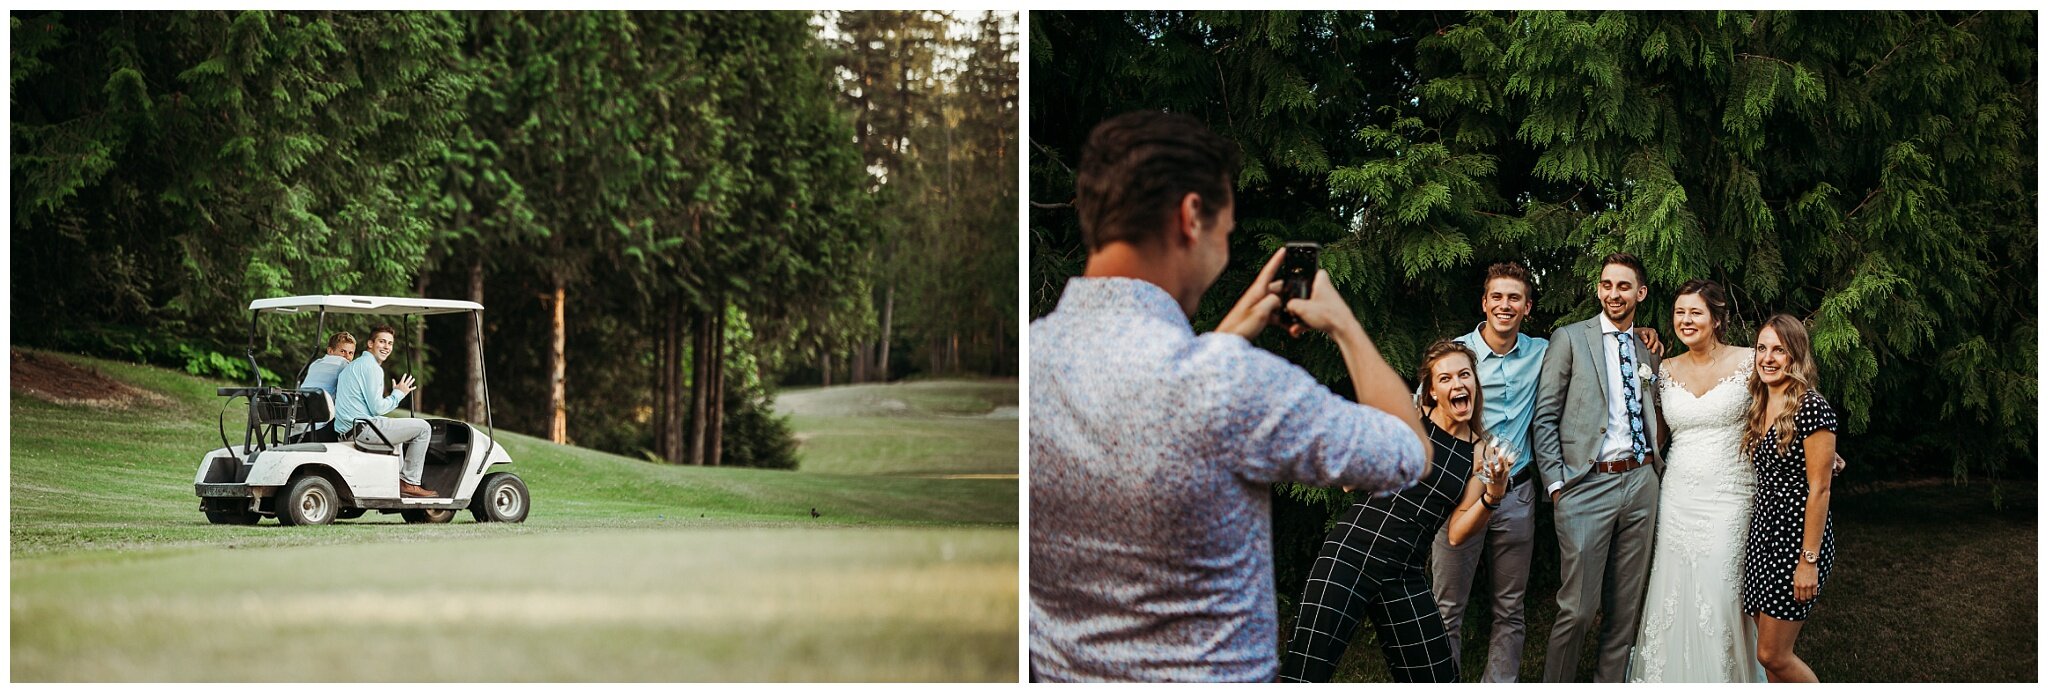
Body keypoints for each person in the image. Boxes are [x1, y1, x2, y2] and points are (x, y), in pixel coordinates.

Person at [1029, 110, 1429, 682]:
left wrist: (1230, 334)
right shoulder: (1227, 384)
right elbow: (1406, 453)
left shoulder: (1029, 362)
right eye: (1227, 230)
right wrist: (1343, 324)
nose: (1224, 247)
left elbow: (1151, 399)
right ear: (1192, 216)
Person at [1280, 341, 1512, 683]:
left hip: (1405, 574)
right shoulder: (1411, 418)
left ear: (1475, 383)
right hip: (1351, 554)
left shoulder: (1481, 451)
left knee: (1438, 679)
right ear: (1432, 390)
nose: (1457, 384)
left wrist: (1493, 495)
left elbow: (1457, 530)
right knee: (1305, 671)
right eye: (1445, 378)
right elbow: (1349, 482)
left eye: (1464, 375)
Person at [1531, 252, 1664, 682]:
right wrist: (1556, 484)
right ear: (1598, 288)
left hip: (1641, 482)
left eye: (1624, 287)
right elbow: (1545, 416)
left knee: (1625, 609)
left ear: (1640, 293)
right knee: (1578, 609)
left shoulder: (1649, 349)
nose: (1614, 294)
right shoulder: (1570, 338)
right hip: (1585, 486)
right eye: (1607, 285)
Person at [1627, 280, 1767, 682]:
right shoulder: (1664, 370)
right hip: (1679, 496)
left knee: (1722, 594)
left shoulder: (1748, 361)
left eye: (1695, 312)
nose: (1685, 321)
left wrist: (1818, 450)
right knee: (1674, 589)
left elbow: (1779, 408)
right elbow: (1656, 433)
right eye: (1679, 313)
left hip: (1731, 494)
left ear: (1717, 318)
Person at [1428, 262, 1546, 682]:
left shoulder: (1542, 353)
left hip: (1517, 494)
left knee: (1510, 609)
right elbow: (1425, 407)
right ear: (1484, 302)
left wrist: (1640, 334)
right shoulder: (1457, 355)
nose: (1504, 304)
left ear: (1527, 306)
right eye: (1496, 296)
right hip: (1461, 493)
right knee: (1446, 608)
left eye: (1514, 297)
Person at [1742, 314, 1839, 682]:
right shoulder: (1760, 401)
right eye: (1762, 348)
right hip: (1763, 536)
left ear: (1795, 356)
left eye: (1779, 350)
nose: (1768, 358)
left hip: (1797, 541)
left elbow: (1821, 488)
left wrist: (1808, 561)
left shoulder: (1812, 408)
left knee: (1773, 653)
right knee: (1768, 660)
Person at [332, 324, 434, 498]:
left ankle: (397, 483)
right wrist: (398, 394)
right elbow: (377, 408)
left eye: (390, 343)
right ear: (370, 344)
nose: (386, 347)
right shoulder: (372, 368)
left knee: (399, 432)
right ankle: (410, 482)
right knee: (424, 428)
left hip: (349, 429)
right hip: (362, 430)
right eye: (382, 341)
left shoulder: (355, 365)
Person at [298, 331, 357, 399]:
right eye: (342, 351)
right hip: (324, 405)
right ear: (330, 351)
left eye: (350, 353)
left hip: (303, 402)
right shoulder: (343, 363)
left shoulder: (315, 363)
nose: (347, 356)